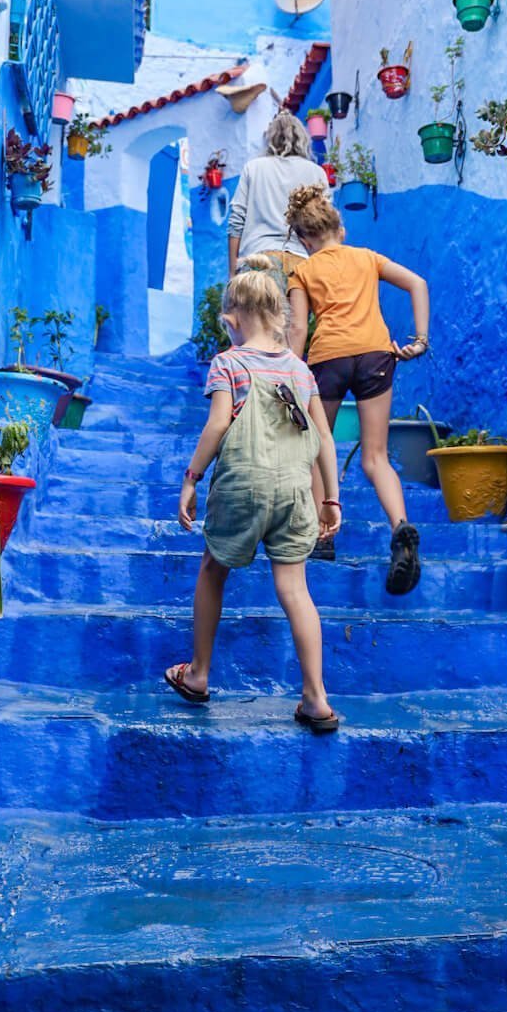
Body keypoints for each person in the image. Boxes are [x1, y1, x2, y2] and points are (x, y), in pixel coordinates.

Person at [165, 256, 343, 732]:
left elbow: (218, 424)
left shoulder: (229, 363)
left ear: (233, 319)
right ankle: (316, 698)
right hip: (294, 491)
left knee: (213, 568)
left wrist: (191, 478)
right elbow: (324, 438)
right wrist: (330, 499)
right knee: (295, 588)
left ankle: (198, 674)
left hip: (243, 486)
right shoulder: (300, 371)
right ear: (278, 315)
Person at [285, 184, 430, 596]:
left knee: (317, 450)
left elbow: (298, 330)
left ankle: (323, 537)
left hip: (328, 360)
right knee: (375, 457)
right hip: (376, 355)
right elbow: (418, 283)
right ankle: (400, 528)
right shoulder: (368, 257)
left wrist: (288, 374)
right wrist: (419, 341)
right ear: (341, 230)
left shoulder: (302, 272)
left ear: (304, 240)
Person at [227, 111, 331, 283]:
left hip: (257, 260)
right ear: (302, 139)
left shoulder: (253, 168)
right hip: (301, 260)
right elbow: (325, 226)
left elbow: (236, 222)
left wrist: (232, 272)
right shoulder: (316, 172)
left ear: (270, 138)